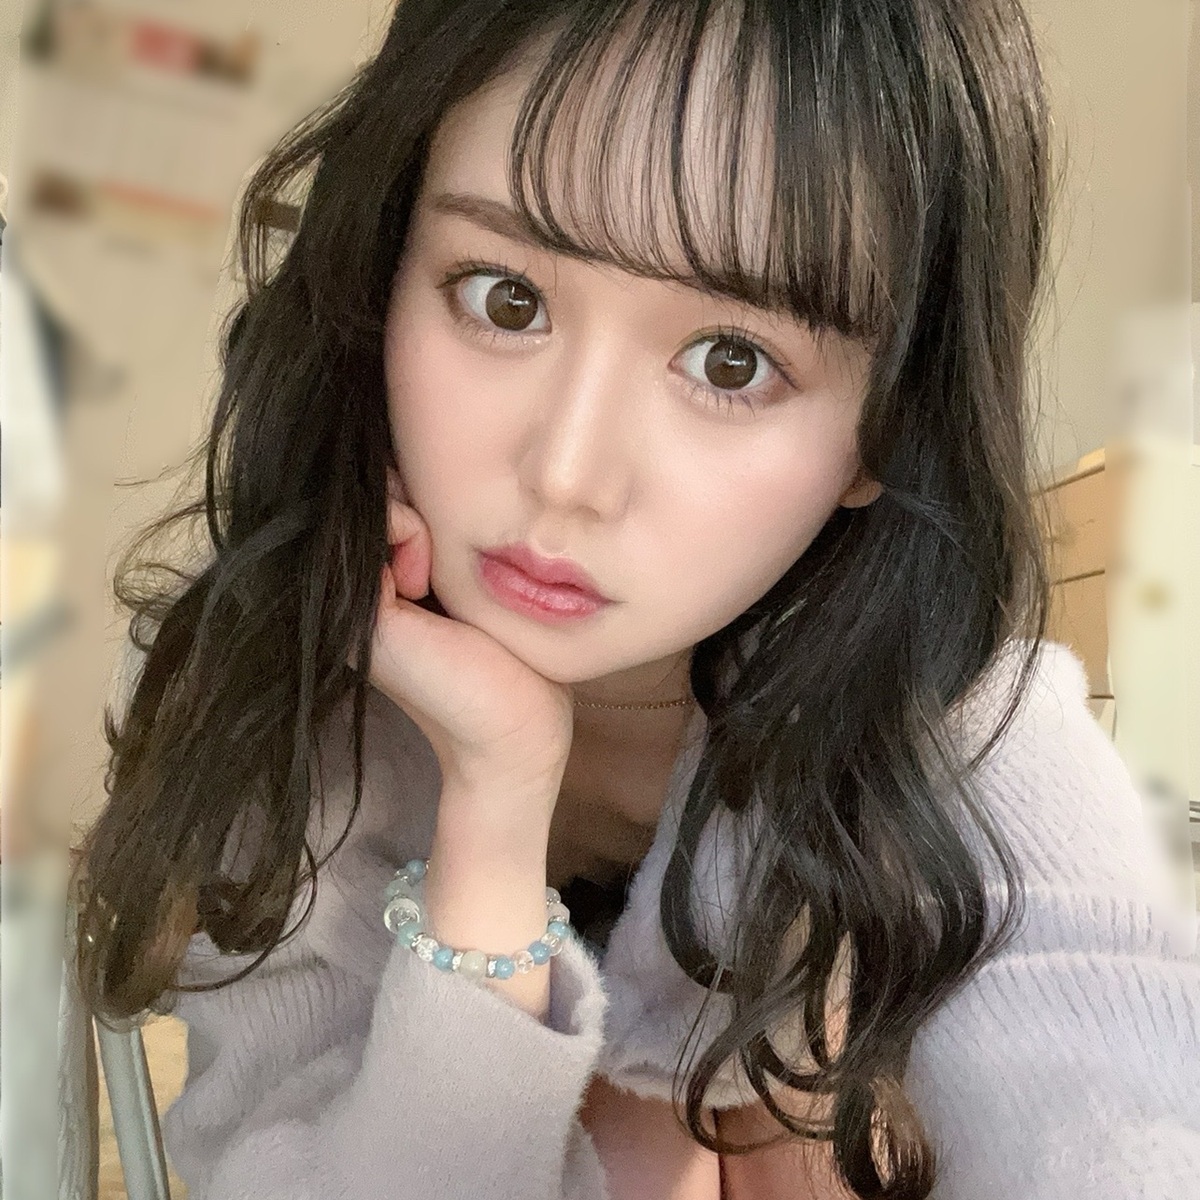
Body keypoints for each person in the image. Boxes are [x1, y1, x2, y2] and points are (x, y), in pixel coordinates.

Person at [75, 1, 1200, 1197]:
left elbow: (1119, 1103)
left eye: (730, 361)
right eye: (505, 298)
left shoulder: (957, 723)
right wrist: (493, 818)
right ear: (382, 273)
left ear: (890, 427)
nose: (567, 473)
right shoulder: (272, 685)